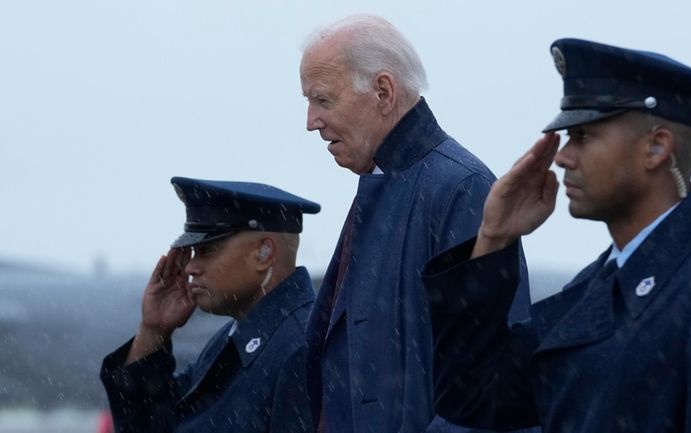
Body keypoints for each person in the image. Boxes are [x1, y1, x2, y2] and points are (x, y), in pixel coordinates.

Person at [423, 38, 691, 433]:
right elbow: (475, 398)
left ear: (657, 148)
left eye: (583, 137)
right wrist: (493, 237)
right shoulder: (600, 286)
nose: (562, 156)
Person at [299, 14, 531, 433]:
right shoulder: (383, 182)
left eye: (323, 100)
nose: (311, 121)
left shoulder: (462, 188)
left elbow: (494, 385)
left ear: (383, 92)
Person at [100, 177, 320, 433]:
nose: (191, 267)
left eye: (207, 251)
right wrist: (153, 332)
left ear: (264, 253)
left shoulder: (300, 346)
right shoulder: (233, 339)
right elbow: (154, 427)